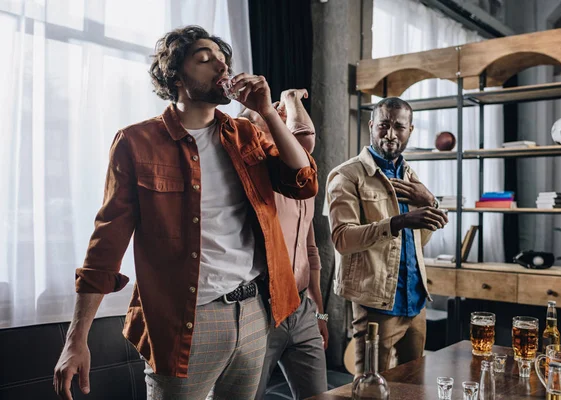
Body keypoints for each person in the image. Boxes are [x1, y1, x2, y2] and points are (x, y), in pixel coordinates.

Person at [53, 25, 318, 400]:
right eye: (205, 59)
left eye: (223, 60)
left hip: (254, 312)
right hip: (187, 321)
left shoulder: (245, 133)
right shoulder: (136, 142)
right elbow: (106, 243)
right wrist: (76, 339)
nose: (220, 67)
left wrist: (266, 113)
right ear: (174, 75)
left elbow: (303, 181)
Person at [326, 97, 448, 374]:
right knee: (369, 389)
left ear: (410, 130)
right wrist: (400, 220)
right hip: (377, 305)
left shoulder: (410, 175)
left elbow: (422, 238)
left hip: (415, 302)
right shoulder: (347, 175)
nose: (391, 134)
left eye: (399, 127)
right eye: (383, 125)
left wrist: (429, 200)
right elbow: (342, 239)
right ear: (371, 126)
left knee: (412, 387)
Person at [239, 89, 328, 400]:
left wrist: (320, 313)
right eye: (266, 117)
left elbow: (310, 248)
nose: (275, 119)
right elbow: (304, 137)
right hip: (261, 308)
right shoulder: (259, 175)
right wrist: (290, 99)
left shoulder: (303, 178)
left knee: (319, 395)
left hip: (303, 308)